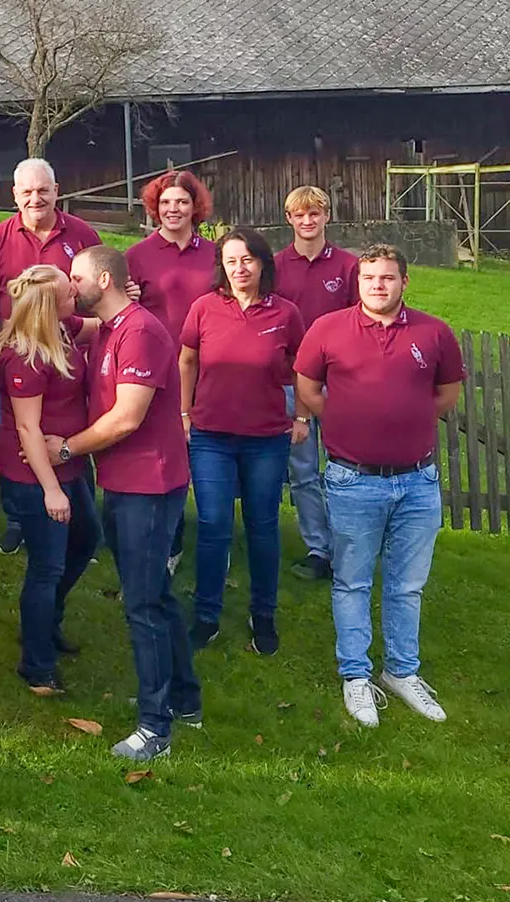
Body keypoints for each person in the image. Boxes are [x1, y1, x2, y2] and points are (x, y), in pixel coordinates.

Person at [294, 246, 462, 728]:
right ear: (358, 282)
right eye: (369, 277)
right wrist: (343, 420)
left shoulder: (434, 332)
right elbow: (307, 386)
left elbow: (447, 393)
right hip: (353, 480)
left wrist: (405, 420)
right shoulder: (327, 329)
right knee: (352, 580)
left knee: (407, 584)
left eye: (387, 277)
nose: (377, 285)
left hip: (418, 481)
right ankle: (355, 674)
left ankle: (402, 672)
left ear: (404, 282)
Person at [53, 246, 200, 761]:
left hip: (148, 486)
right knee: (155, 593)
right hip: (124, 482)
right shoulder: (109, 329)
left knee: (142, 604)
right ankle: (184, 698)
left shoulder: (139, 332)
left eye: (76, 277)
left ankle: (155, 727)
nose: (71, 286)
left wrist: (66, 448)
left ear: (104, 279)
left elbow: (126, 418)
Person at [179, 228, 306, 656]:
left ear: (263, 264)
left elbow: (302, 367)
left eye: (247, 260)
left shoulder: (286, 313)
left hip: (266, 439)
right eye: (231, 261)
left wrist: (302, 416)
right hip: (211, 436)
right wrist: (183, 413)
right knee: (213, 525)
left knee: (263, 527)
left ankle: (263, 614)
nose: (239, 268)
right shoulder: (204, 308)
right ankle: (207, 616)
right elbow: (187, 360)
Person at [0, 158, 101, 555]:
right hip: (22, 359)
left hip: (66, 357)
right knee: (19, 434)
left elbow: (96, 291)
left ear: (56, 191)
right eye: (27, 192)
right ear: (14, 195)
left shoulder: (81, 234)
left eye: (43, 190)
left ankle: (78, 520)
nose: (35, 198)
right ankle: (20, 520)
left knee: (72, 431)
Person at [0, 264, 99, 696]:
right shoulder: (26, 357)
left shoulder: (64, 328)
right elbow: (27, 427)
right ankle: (36, 665)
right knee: (47, 566)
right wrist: (51, 490)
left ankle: (45, 620)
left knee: (87, 539)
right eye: (69, 293)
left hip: (69, 463)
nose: (76, 293)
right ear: (48, 308)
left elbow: (100, 322)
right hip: (33, 474)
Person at [126, 171, 217, 574]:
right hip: (158, 370)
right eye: (165, 203)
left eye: (181, 201)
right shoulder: (138, 255)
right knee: (166, 456)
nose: (173, 209)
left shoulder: (215, 254)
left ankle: (215, 541)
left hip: (211, 368)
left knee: (208, 455)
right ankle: (169, 543)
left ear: (195, 206)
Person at [273, 186, 358, 582]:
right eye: (300, 214)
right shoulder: (276, 266)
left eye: (315, 214)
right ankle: (318, 549)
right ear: (289, 218)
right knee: (304, 471)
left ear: (327, 217)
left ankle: (351, 546)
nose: (308, 221)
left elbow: (361, 321)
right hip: (292, 384)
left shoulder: (348, 266)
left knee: (346, 468)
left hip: (339, 384)